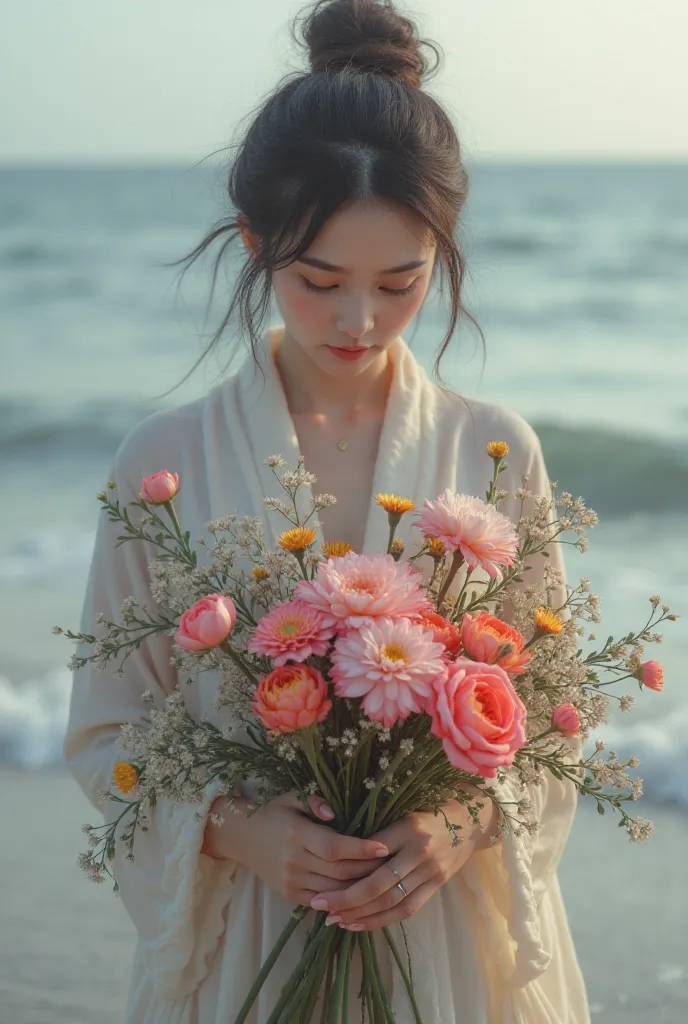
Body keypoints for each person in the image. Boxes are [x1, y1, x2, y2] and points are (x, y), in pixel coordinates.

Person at [63, 1, 591, 1021]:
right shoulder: (164, 461)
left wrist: (457, 826)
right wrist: (241, 831)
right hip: (253, 938)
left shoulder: (493, 452)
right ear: (257, 244)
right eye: (319, 280)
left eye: (401, 282)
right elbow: (104, 730)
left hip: (442, 939)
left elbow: (555, 724)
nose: (358, 320)